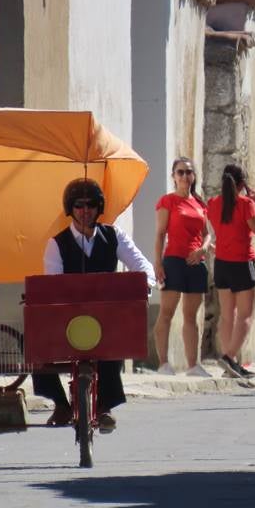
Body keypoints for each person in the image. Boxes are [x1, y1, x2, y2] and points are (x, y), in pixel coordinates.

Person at [32, 178, 155, 433]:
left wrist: (144, 284)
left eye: (91, 205)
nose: (85, 211)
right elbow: (53, 285)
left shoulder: (114, 235)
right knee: (34, 343)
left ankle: (104, 407)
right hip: (68, 318)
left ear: (99, 208)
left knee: (113, 343)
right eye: (79, 205)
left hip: (106, 317)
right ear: (70, 208)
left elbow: (143, 266)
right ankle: (60, 403)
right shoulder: (56, 244)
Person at [153, 157, 212, 377]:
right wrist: (157, 263)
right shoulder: (167, 201)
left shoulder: (200, 204)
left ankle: (192, 365)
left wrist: (203, 250)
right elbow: (160, 234)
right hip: (174, 260)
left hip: (197, 263)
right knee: (166, 312)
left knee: (191, 316)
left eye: (188, 172)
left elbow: (207, 235)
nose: (185, 176)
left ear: (193, 176)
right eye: (180, 172)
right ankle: (163, 363)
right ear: (173, 176)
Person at [206, 164, 255, 383]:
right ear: (242, 184)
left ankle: (231, 362)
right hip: (242, 263)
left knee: (227, 315)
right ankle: (229, 357)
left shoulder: (212, 204)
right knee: (246, 315)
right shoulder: (246, 204)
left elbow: (215, 225)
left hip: (221, 263)